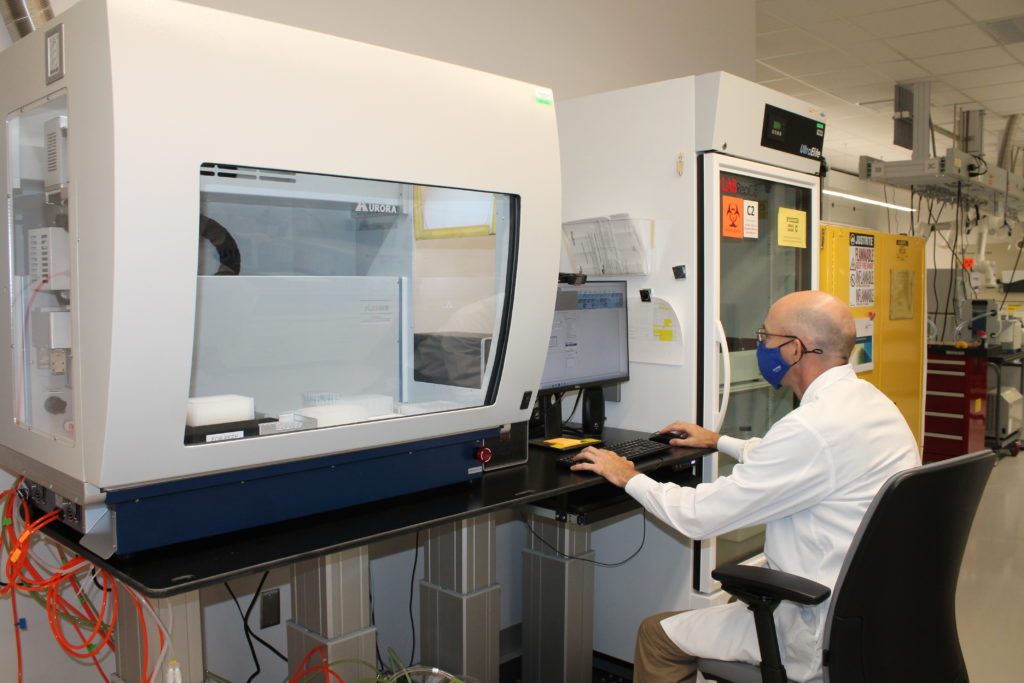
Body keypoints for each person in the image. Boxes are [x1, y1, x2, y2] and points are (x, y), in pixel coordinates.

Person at [570, 290, 920, 682]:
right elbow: (798, 462)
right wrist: (718, 441)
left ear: (794, 349)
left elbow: (698, 517)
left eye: (765, 336)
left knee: (657, 635)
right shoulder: (870, 404)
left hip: (810, 620)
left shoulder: (810, 427)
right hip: (868, 611)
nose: (760, 345)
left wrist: (628, 476)